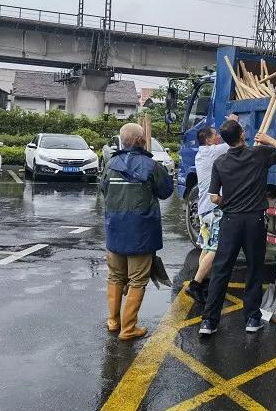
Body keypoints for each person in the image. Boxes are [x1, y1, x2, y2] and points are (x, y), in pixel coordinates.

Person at [199, 119, 276, 336]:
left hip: (230, 221)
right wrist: (267, 139)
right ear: (242, 135)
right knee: (254, 269)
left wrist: (228, 202)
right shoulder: (259, 154)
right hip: (254, 221)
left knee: (221, 270)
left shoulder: (220, 162)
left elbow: (214, 197)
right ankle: (252, 318)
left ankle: (209, 322)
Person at [101, 123, 173, 341]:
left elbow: (104, 189)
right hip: (141, 234)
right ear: (142, 140)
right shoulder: (151, 166)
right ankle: (129, 328)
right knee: (137, 281)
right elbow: (166, 191)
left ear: (122, 141)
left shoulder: (111, 164)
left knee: (115, 276)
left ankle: (114, 321)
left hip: (115, 231)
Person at [184, 119, 235, 304]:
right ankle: (196, 285)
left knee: (207, 247)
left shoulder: (203, 154)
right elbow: (232, 140)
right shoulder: (212, 152)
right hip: (213, 211)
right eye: (215, 135)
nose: (219, 137)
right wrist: (232, 122)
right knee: (215, 248)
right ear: (207, 140)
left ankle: (204, 283)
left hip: (204, 210)